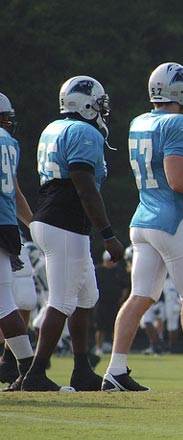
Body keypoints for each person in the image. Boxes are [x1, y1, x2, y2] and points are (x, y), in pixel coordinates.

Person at [102, 62, 183, 392]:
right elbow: (177, 180)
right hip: (172, 222)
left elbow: (167, 169)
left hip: (143, 220)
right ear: (181, 92)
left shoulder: (140, 121)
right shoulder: (180, 124)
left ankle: (115, 370)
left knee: (140, 296)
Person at [21, 76, 124, 392]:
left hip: (57, 220)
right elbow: (84, 187)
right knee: (63, 300)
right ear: (88, 104)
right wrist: (108, 234)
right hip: (62, 222)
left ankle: (82, 370)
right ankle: (35, 374)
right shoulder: (82, 132)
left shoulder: (53, 128)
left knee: (85, 297)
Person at [0, 92, 36, 392]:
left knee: (4, 303)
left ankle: (28, 369)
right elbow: (15, 191)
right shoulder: (10, 143)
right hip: (7, 224)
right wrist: (33, 224)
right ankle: (27, 369)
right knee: (5, 301)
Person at [94, 251, 129, 356]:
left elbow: (125, 287)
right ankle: (99, 348)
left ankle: (116, 350)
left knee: (116, 327)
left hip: (115, 303)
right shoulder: (98, 270)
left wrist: (122, 299)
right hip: (101, 303)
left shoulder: (118, 271)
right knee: (100, 327)